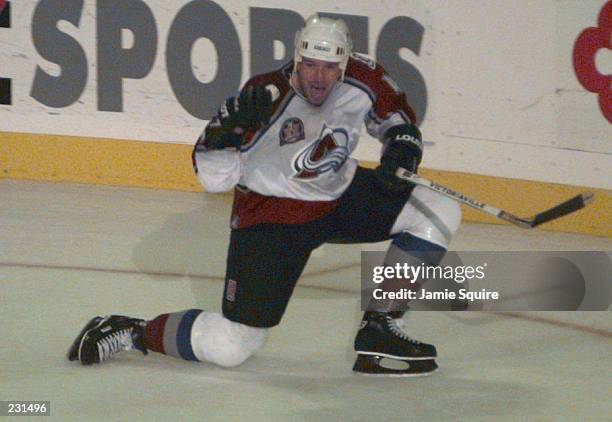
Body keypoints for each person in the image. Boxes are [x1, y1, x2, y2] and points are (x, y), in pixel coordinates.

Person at [67, 14, 461, 376]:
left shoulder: (364, 77)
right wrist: (220, 142)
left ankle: (380, 326)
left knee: (438, 209)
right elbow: (215, 182)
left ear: (344, 64)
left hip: (338, 197)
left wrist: (401, 148)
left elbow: (396, 118)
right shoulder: (264, 96)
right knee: (232, 346)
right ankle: (133, 331)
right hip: (272, 218)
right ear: (297, 58)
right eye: (310, 64)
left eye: (329, 67)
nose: (319, 78)